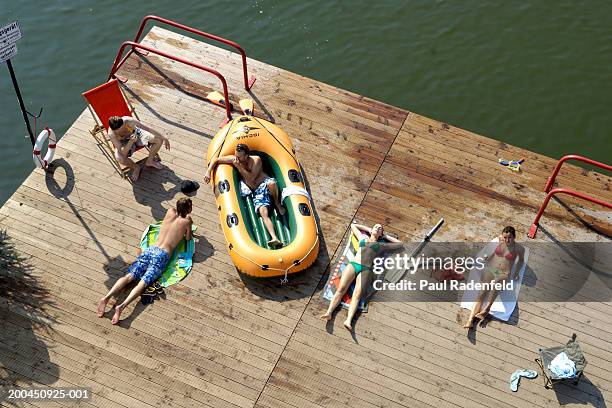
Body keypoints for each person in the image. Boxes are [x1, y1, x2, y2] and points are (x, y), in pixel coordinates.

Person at [97, 198, 193, 324]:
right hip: (162, 255)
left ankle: (106, 297)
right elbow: (188, 237)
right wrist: (189, 226)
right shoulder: (187, 221)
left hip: (150, 249)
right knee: (143, 282)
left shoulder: (170, 211)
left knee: (130, 276)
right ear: (189, 209)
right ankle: (122, 306)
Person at [320, 223, 403, 330]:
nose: (378, 229)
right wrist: (368, 229)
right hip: (353, 265)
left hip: (366, 270)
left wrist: (385, 236)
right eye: (376, 227)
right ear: (371, 229)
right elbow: (353, 226)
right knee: (341, 289)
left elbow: (400, 244)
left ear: (381, 233)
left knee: (357, 295)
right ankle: (329, 312)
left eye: (380, 229)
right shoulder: (362, 237)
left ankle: (348, 320)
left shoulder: (382, 245)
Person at [204, 143, 285, 247]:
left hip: (265, 183)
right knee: (263, 213)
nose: (236, 158)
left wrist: (238, 167)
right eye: (236, 155)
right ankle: (274, 237)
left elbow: (252, 178)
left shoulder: (256, 160)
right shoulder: (235, 159)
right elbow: (216, 160)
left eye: (239, 156)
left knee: (272, 184)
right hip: (257, 191)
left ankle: (277, 203)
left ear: (246, 156)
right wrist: (208, 172)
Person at [464, 226, 525, 329]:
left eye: (510, 237)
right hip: (492, 268)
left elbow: (521, 261)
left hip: (504, 273)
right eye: (505, 237)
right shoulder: (501, 239)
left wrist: (517, 273)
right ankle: (469, 320)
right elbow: (497, 245)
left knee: (496, 284)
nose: (507, 240)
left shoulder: (519, 248)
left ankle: (487, 308)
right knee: (481, 293)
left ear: (514, 237)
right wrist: (488, 257)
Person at [108, 116, 171, 182]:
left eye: (123, 127)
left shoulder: (128, 120)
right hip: (125, 143)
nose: (123, 130)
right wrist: (131, 142)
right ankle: (136, 167)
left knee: (159, 139)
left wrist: (164, 137)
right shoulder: (112, 134)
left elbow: (147, 128)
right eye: (120, 130)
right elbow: (123, 153)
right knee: (119, 158)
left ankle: (150, 161)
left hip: (137, 133)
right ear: (114, 130)